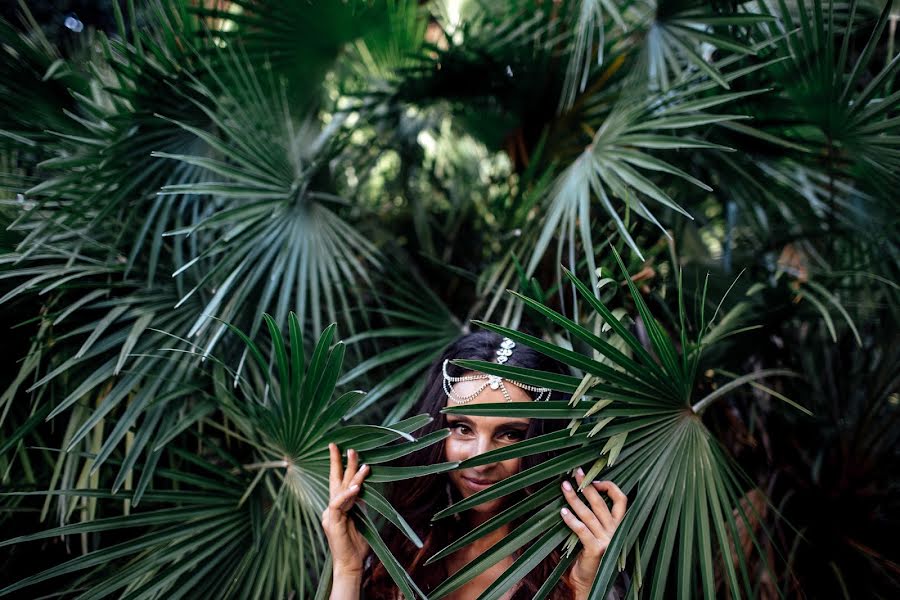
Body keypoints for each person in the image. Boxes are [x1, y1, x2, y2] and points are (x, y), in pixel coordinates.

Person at [322, 331, 627, 599]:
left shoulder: (571, 567)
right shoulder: (402, 551)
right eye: (462, 428)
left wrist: (586, 589)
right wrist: (348, 569)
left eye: (511, 434)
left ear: (543, 441)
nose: (481, 459)